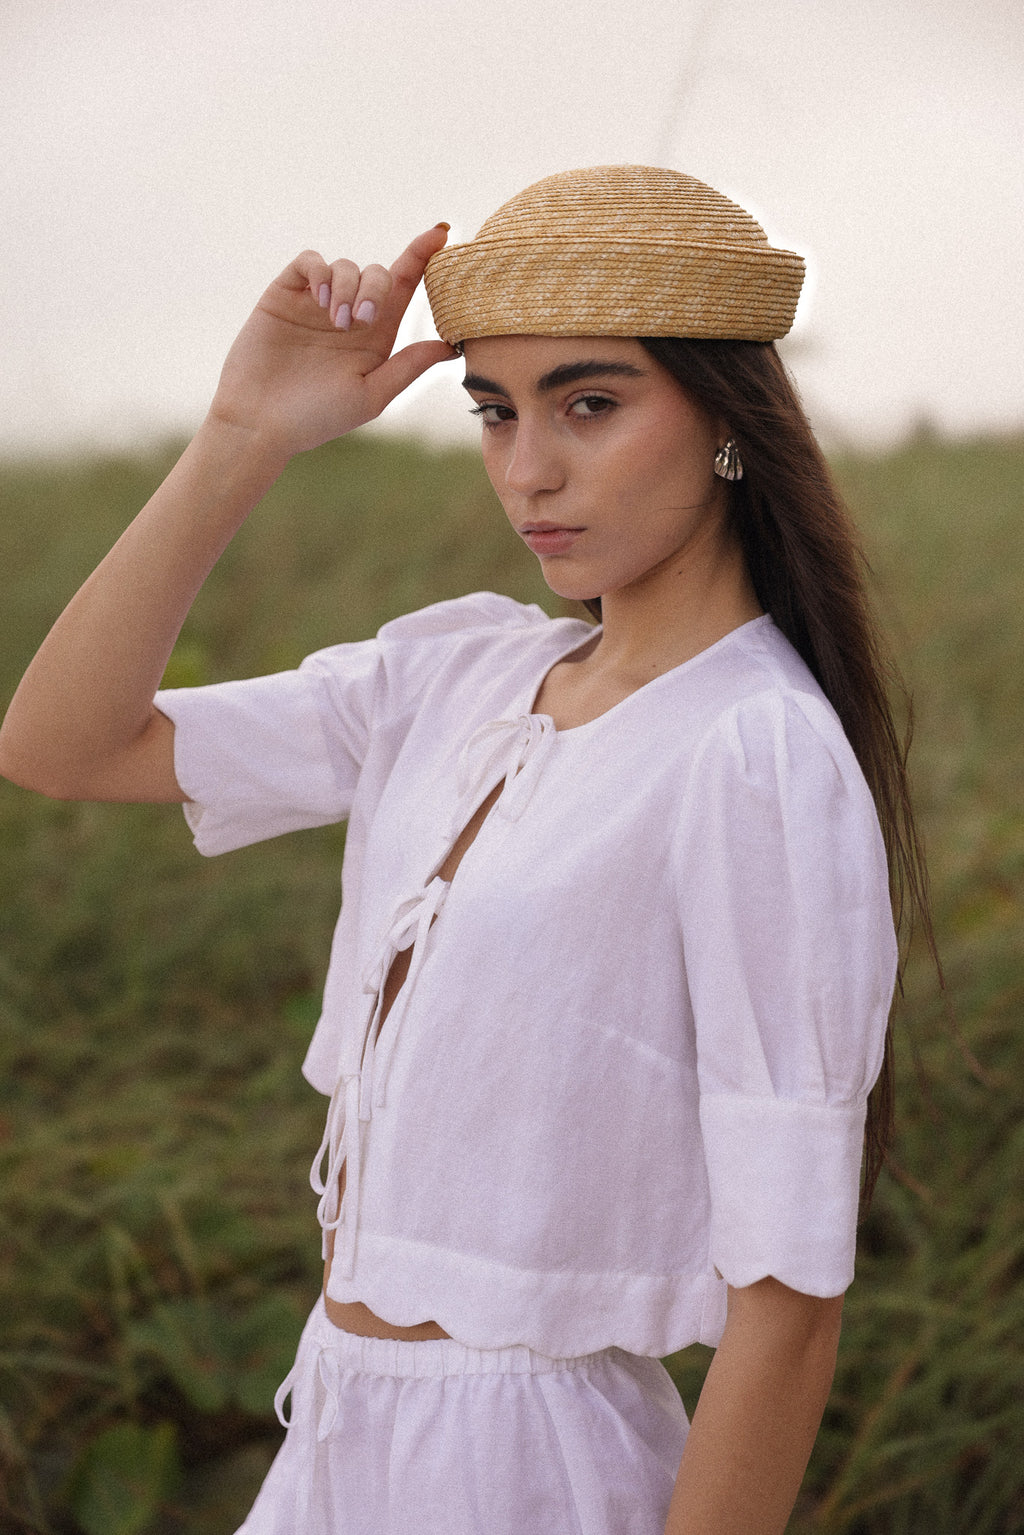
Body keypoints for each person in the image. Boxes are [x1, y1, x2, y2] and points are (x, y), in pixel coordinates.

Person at [0, 165, 929, 1534]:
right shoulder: (457, 677)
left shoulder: (756, 754)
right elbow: (62, 745)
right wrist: (242, 435)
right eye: (495, 412)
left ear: (728, 421)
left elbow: (787, 1312)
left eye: (590, 404)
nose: (528, 469)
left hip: (528, 1470)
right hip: (335, 1425)